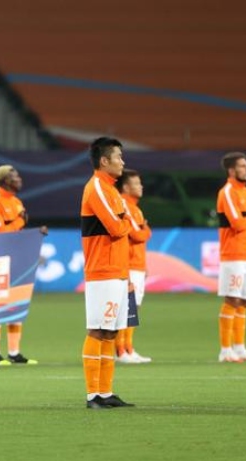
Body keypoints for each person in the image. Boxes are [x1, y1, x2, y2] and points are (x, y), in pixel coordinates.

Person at [80, 137, 134, 409]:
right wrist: (125, 221)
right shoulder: (97, 188)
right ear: (104, 161)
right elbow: (118, 228)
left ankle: (106, 392)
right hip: (103, 270)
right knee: (98, 329)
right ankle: (93, 395)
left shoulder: (111, 190)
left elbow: (124, 224)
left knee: (111, 332)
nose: (122, 162)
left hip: (117, 270)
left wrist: (124, 221)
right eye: (118, 157)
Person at [0, 165, 45, 365]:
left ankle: (14, 352)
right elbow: (0, 232)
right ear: (3, 180)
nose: (18, 178)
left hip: (16, 259)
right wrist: (19, 222)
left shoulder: (17, 202)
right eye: (13, 175)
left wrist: (34, 238)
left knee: (16, 303)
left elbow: (18, 234)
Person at [215, 152, 246, 363]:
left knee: (244, 301)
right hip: (233, 254)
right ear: (232, 170)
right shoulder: (227, 192)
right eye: (243, 166)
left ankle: (240, 347)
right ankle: (225, 350)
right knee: (232, 299)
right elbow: (237, 223)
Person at [116, 169, 152, 364]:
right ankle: (120, 351)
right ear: (126, 187)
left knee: (133, 307)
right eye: (136, 183)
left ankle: (129, 348)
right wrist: (145, 229)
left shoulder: (136, 208)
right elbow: (138, 235)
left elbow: (141, 235)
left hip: (137, 264)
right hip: (127, 264)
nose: (141, 187)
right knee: (125, 307)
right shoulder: (124, 205)